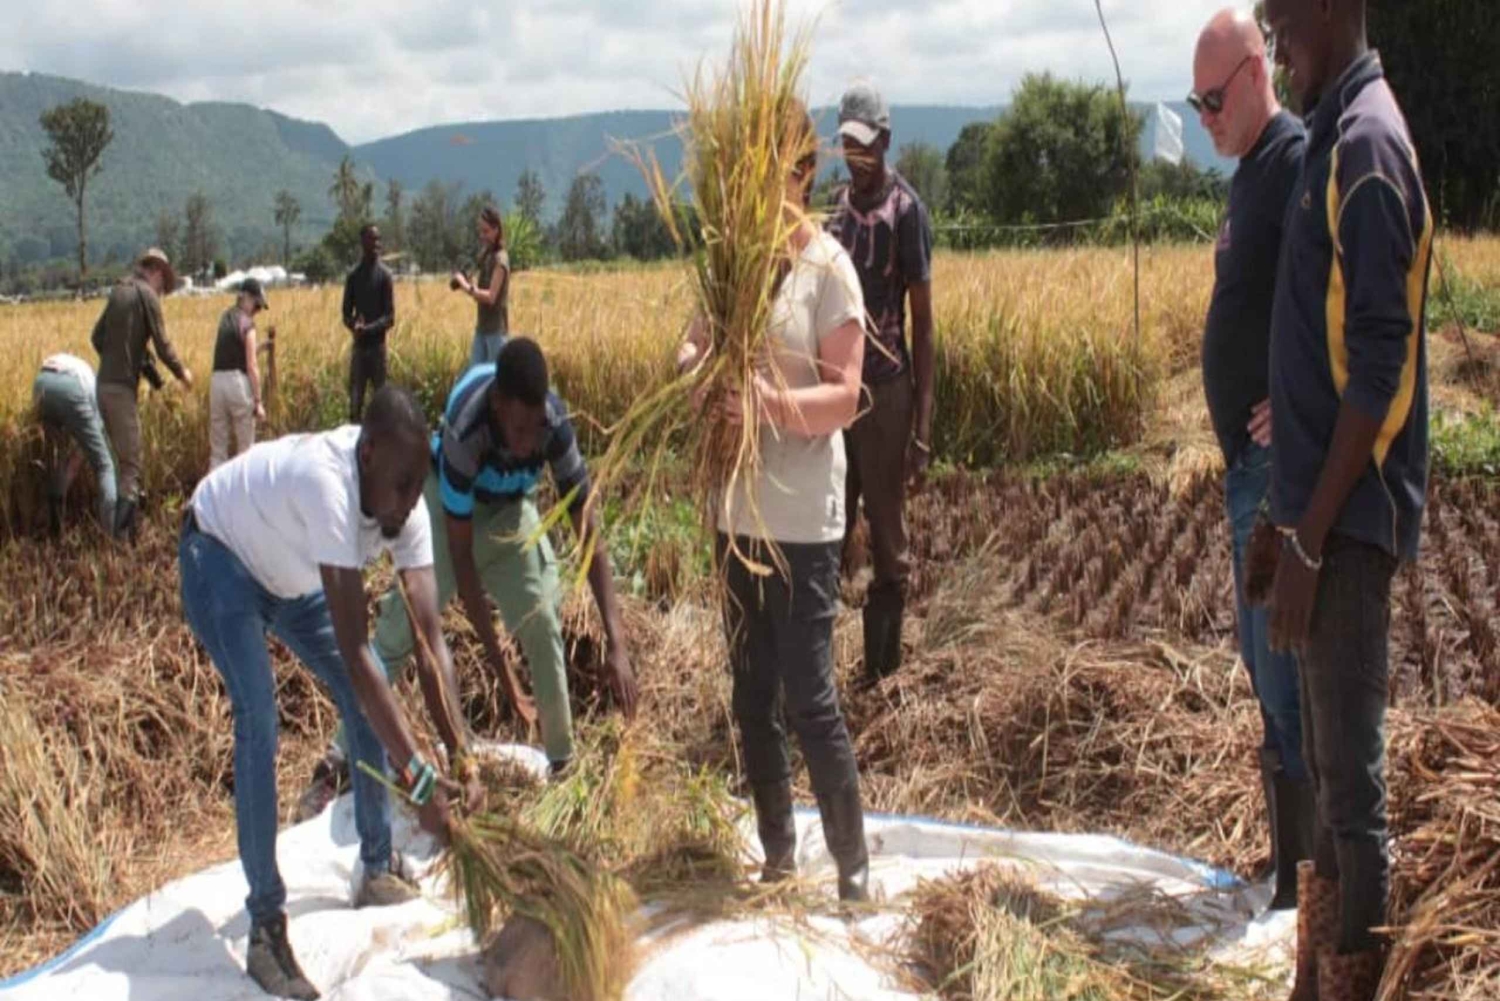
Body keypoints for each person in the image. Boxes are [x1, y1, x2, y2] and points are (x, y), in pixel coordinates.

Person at [179, 385, 474, 1001]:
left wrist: (461, 752)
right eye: (398, 484)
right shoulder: (328, 483)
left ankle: (374, 868)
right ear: (366, 455)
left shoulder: (406, 510)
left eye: (417, 485)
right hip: (220, 554)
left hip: (286, 575)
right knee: (260, 718)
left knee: (370, 694)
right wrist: (418, 780)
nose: (406, 502)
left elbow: (430, 637)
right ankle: (265, 926)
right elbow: (357, 650)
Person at [1260, 1, 1433, 997]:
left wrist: (1314, 540)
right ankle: (1317, 980)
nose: (1276, 36)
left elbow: (1379, 371)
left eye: (1283, 19)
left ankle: (1349, 983)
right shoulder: (1337, 130)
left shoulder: (1368, 149)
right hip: (1322, 520)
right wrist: (1284, 525)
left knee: (1353, 796)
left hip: (1352, 528)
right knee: (1328, 778)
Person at [296, 337, 638, 819]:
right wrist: (501, 672)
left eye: (533, 429)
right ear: (499, 406)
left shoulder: (552, 426)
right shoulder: (466, 429)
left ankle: (563, 763)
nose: (526, 443)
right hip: (452, 511)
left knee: (541, 620)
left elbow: (589, 535)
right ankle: (334, 765)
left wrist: (617, 645)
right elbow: (463, 561)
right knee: (401, 632)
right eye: (518, 429)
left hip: (511, 512)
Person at [678, 103, 871, 902]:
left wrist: (764, 402)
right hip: (736, 517)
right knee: (751, 695)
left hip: (800, 523)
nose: (752, 185)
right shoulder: (734, 266)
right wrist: (699, 370)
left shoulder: (828, 269)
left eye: (767, 168)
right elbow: (691, 343)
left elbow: (847, 396)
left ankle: (852, 865)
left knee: (809, 696)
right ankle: (778, 852)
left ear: (800, 172)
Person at [1190, 8, 1312, 913]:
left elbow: (1330, 296)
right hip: (1247, 470)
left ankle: (1305, 879)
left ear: (1256, 71)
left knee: (1283, 666)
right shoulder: (1248, 178)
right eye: (1194, 104)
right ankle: (1291, 865)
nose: (1204, 118)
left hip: (1275, 476)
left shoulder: (1295, 161)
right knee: (1259, 660)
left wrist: (1295, 392)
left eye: (1212, 99)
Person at [825, 80, 935, 683]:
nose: (856, 157)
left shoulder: (906, 213)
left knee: (889, 538)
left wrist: (922, 427)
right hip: (834, 394)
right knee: (828, 526)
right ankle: (817, 670)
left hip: (887, 393)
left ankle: (883, 675)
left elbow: (923, 325)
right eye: (847, 146)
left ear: (886, 141)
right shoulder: (834, 216)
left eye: (865, 145)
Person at [91, 247, 194, 540]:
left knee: (117, 461)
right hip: (122, 391)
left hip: (102, 386)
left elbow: (96, 338)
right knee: (131, 465)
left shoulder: (119, 290)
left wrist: (120, 358)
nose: (162, 292)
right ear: (157, 273)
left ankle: (124, 533)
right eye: (164, 285)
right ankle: (121, 542)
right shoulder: (146, 294)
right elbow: (162, 345)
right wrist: (181, 373)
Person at [33, 353, 117, 534]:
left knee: (56, 463)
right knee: (105, 466)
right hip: (71, 388)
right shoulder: (100, 402)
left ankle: (55, 527)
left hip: (41, 384)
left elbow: (71, 465)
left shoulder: (91, 377)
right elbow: (80, 456)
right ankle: (112, 535)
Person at [210, 277, 272, 470]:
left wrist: (260, 347)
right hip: (238, 385)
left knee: (218, 448)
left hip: (216, 384)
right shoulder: (248, 324)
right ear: (246, 298)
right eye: (257, 305)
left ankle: (214, 495)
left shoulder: (225, 317)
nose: (257, 311)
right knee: (245, 450)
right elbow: (251, 365)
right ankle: (243, 496)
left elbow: (234, 352)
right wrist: (258, 402)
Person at [342, 225, 395, 422]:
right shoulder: (353, 276)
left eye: (378, 239)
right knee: (355, 403)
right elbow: (346, 313)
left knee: (381, 403)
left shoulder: (385, 276)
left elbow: (390, 317)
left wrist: (368, 329)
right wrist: (353, 326)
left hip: (378, 349)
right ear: (363, 242)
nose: (377, 244)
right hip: (359, 350)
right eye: (372, 239)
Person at [452, 205, 511, 367]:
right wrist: (465, 278)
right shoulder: (486, 255)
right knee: (476, 376)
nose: (482, 236)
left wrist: (466, 286)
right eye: (481, 231)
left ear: (496, 230)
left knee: (495, 380)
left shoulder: (501, 260)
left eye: (486, 232)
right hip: (482, 328)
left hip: (496, 331)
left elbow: (491, 297)